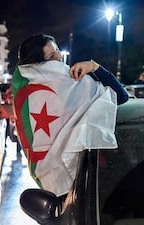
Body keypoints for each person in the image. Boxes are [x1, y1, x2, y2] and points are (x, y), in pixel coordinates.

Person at [12, 34, 128, 197]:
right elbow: (121, 96)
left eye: (58, 51)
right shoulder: (73, 84)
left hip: (82, 180)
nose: (60, 57)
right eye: (52, 56)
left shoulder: (26, 92)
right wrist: (94, 67)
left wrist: (93, 67)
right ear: (38, 65)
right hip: (83, 184)